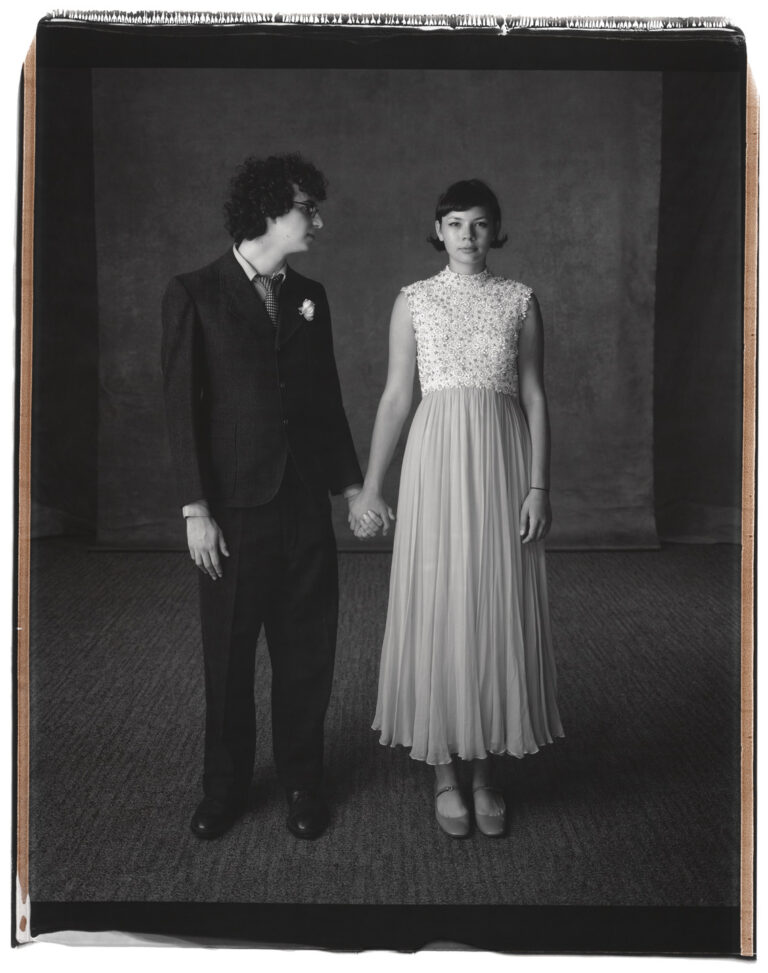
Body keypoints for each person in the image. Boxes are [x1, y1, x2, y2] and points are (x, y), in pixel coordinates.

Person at [349, 179, 563, 837]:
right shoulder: (413, 300)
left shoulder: (519, 299)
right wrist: (372, 485)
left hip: (502, 461)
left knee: (494, 598)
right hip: (436, 459)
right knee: (440, 598)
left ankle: (486, 771)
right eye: (454, 223)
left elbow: (533, 394)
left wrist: (538, 485)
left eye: (479, 223)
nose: (467, 235)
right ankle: (444, 768)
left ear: (495, 230)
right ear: (438, 230)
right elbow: (395, 397)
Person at [161, 153, 363, 841]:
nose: (319, 221)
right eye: (309, 208)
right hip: (233, 510)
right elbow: (181, 411)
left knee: (307, 651)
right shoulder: (194, 292)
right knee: (229, 656)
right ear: (270, 210)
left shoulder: (312, 296)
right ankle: (224, 788)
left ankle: (304, 781)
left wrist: (352, 487)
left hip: (304, 505)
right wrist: (196, 510)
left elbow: (326, 400)